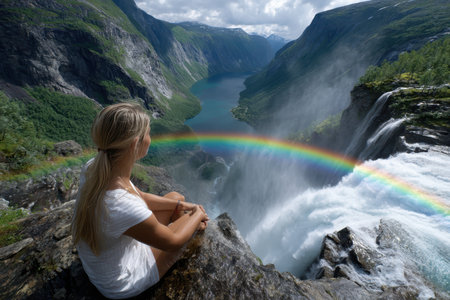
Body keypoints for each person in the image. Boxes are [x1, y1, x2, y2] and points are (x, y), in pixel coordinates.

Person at [71, 103, 209, 299]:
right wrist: (197, 215)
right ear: (136, 143)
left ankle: (178, 214)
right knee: (187, 229)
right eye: (149, 134)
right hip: (122, 282)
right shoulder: (120, 205)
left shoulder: (93, 167)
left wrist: (180, 206)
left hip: (106, 263)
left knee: (176, 197)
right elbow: (173, 242)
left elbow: (140, 197)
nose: (150, 139)